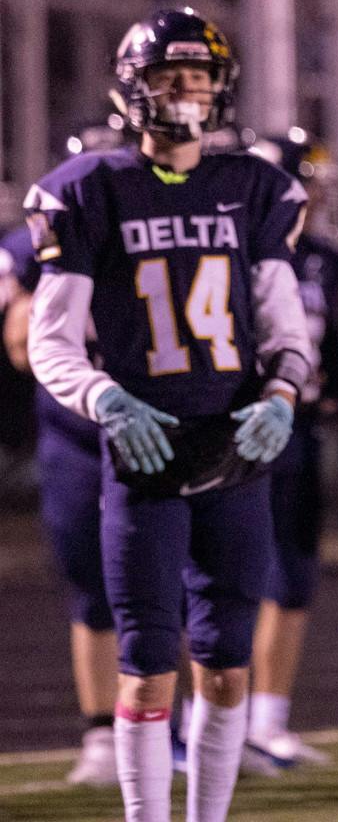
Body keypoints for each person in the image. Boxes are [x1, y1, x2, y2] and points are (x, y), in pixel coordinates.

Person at [24, 7, 313, 822]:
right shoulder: (90, 192)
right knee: (147, 662)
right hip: (143, 455)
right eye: (166, 74)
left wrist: (284, 395)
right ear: (133, 88)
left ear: (221, 87)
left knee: (225, 668)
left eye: (197, 74)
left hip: (234, 448)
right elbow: (50, 343)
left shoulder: (253, 188)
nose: (184, 88)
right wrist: (105, 398)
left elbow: (285, 324)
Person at [242, 130, 338, 772]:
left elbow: (333, 346)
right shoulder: (229, 249)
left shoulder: (323, 259)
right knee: (221, 579)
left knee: (292, 576)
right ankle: (213, 722)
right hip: (239, 434)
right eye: (304, 180)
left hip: (301, 433)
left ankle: (270, 722)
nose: (314, 193)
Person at [3, 222, 118, 786]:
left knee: (178, 581)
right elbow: (21, 349)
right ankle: (102, 733)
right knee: (89, 581)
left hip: (163, 427)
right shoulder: (38, 246)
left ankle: (181, 723)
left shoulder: (165, 223)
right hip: (75, 436)